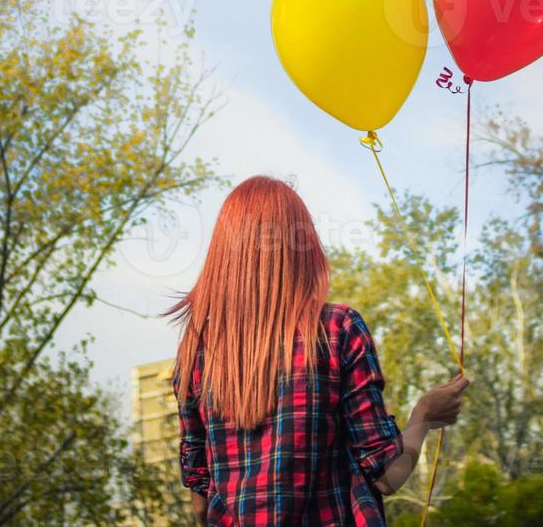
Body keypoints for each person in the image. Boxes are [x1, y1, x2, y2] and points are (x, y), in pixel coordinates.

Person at [167, 175, 469, 525]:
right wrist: (424, 416)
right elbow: (387, 475)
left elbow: (201, 504)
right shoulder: (337, 329)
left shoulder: (195, 354)